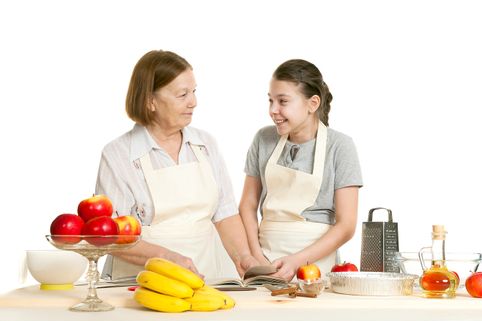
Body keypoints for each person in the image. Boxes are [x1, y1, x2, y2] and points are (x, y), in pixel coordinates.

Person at [96, 50, 259, 281]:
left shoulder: (205, 145)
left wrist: (243, 256)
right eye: (182, 94)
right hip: (142, 282)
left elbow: (225, 214)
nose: (193, 102)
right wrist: (166, 257)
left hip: (208, 277)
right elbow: (111, 236)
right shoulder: (118, 155)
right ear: (150, 101)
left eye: (193, 91)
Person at [239, 59, 363, 282]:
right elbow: (247, 205)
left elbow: (346, 225)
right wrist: (257, 257)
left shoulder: (340, 147)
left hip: (315, 266)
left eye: (283, 101)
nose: (273, 110)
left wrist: (298, 261)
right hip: (265, 261)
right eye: (270, 100)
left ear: (312, 104)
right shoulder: (263, 139)